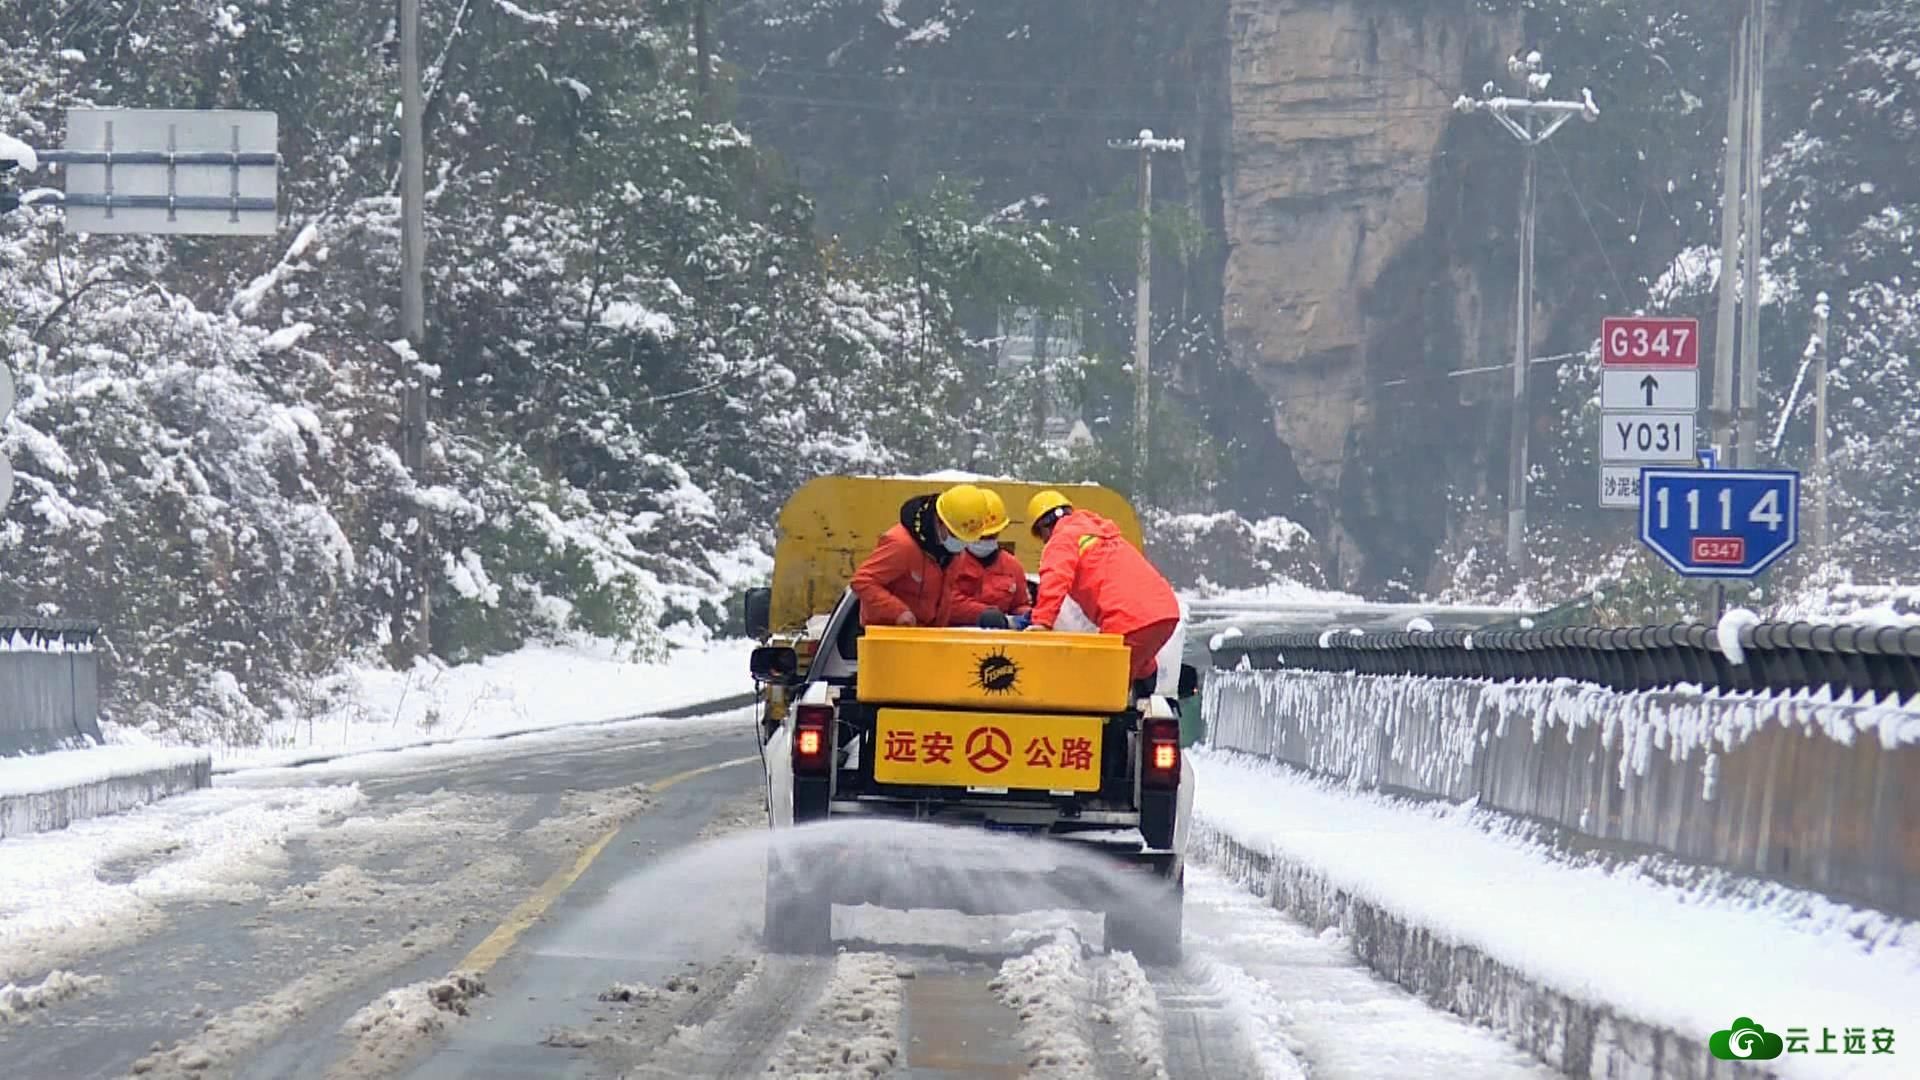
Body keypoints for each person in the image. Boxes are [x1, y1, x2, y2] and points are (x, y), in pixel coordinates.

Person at [1024, 489, 1182, 687]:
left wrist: (1042, 622)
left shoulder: (1062, 539)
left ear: (1043, 528)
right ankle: (1144, 694)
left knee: (1096, 686)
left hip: (1128, 620)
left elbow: (1055, 578)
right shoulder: (1102, 535)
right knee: (1134, 663)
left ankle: (1130, 700)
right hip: (1165, 612)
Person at [850, 483, 994, 628]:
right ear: (941, 522)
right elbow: (862, 581)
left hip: (924, 636)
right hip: (886, 634)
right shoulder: (902, 545)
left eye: (965, 539)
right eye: (955, 535)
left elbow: (944, 600)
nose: (961, 542)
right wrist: (898, 612)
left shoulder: (952, 553)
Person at [945, 488, 1034, 628]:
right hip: (954, 635)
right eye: (981, 536)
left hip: (999, 637)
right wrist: (985, 614)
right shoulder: (949, 561)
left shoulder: (1012, 566)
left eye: (991, 536)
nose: (985, 541)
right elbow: (946, 602)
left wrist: (1028, 615)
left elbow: (1019, 604)